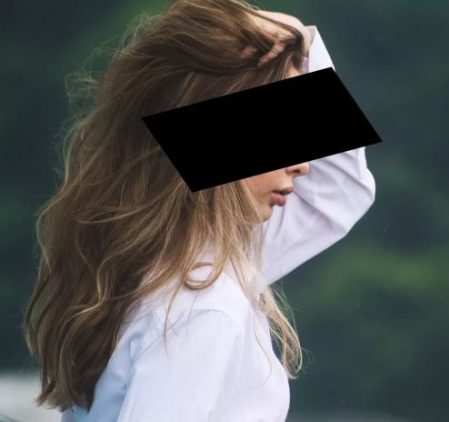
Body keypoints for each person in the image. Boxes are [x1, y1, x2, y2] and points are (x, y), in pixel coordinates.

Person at [21, 0, 376, 420]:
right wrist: (299, 37)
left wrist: (302, 40)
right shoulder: (202, 303)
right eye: (282, 131)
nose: (303, 164)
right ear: (212, 143)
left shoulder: (151, 268)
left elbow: (341, 191)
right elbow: (340, 190)